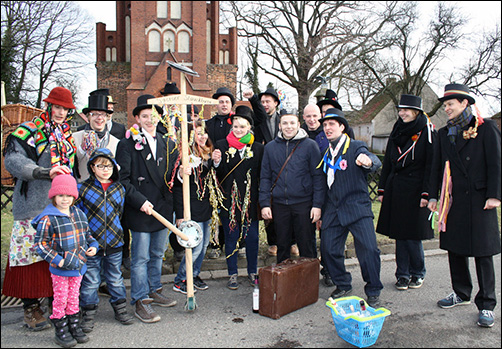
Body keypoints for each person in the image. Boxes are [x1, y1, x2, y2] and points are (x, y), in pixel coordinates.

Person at [2, 86, 77, 331]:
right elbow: (13, 161)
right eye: (57, 107)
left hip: (59, 207)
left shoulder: (66, 136)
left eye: (65, 109)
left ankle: (57, 302)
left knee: (55, 258)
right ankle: (30, 308)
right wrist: (42, 172)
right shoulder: (29, 131)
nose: (61, 112)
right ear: (49, 106)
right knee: (30, 260)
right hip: (32, 206)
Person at [428, 83, 501, 328]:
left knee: (483, 252)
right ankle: (461, 292)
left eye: (450, 104)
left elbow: (497, 163)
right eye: (445, 104)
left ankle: (487, 304)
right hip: (455, 199)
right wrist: (433, 196)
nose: (446, 108)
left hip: (481, 199)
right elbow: (436, 167)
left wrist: (495, 195)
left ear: (464, 103)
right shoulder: (443, 133)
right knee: (455, 248)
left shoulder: (486, 127)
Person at [115, 94, 179, 323]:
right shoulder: (127, 144)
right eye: (145, 116)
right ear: (137, 119)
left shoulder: (168, 143)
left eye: (153, 115)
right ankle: (140, 300)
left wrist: (182, 173)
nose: (150, 119)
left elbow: (172, 176)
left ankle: (154, 289)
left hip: (162, 207)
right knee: (140, 257)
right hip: (140, 207)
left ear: (160, 117)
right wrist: (139, 201)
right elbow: (122, 179)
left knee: (157, 254)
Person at [319, 108, 384, 308]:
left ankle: (373, 289)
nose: (327, 128)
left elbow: (374, 161)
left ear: (342, 127)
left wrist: (369, 161)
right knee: (328, 249)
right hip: (333, 209)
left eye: (332, 124)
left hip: (357, 207)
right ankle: (343, 284)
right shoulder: (326, 153)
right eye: (325, 125)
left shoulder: (356, 146)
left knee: (369, 250)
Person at [376, 94, 436, 291]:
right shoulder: (397, 128)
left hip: (417, 188)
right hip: (397, 187)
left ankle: (417, 272)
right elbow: (388, 162)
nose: (401, 113)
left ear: (416, 111)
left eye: (405, 110)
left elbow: (431, 165)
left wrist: (427, 193)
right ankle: (402, 274)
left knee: (413, 234)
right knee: (399, 233)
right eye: (400, 110)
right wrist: (383, 188)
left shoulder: (427, 131)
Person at [33, 174, 99, 347]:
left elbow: (87, 235)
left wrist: (93, 245)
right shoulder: (48, 218)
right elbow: (41, 244)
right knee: (61, 298)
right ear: (54, 196)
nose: (65, 199)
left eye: (69, 195)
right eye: (61, 195)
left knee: (73, 298)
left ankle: (73, 325)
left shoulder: (78, 214)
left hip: (78, 266)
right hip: (61, 268)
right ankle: (60, 329)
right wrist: (58, 260)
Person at [75, 148, 134, 332]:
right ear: (92, 167)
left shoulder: (119, 188)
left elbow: (120, 214)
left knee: (115, 279)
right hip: (92, 244)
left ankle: (120, 309)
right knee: (91, 280)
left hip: (115, 242)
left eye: (108, 165)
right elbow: (78, 215)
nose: (105, 169)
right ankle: (89, 312)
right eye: (100, 165)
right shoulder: (83, 188)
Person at [259, 109, 324, 263]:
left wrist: (317, 205)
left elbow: (318, 177)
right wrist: (264, 204)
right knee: (282, 246)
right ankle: (284, 283)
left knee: (306, 246)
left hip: (304, 204)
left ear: (298, 124)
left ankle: (309, 282)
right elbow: (265, 177)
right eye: (285, 123)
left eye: (292, 123)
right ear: (280, 125)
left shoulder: (310, 146)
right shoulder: (270, 148)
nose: (289, 126)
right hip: (280, 205)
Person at [211, 106, 264, 290]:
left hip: (250, 200)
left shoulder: (257, 148)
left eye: (243, 126)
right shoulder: (222, 145)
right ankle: (232, 273)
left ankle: (252, 271)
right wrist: (216, 162)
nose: (239, 130)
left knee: (252, 238)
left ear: (249, 127)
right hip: (229, 199)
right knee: (231, 237)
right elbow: (219, 174)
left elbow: (260, 175)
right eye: (235, 127)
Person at [243, 88, 299, 258]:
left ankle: (293, 241)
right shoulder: (258, 119)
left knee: (291, 206)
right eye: (263, 102)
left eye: (268, 101)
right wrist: (253, 99)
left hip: (287, 167)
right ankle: (273, 242)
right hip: (267, 168)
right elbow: (258, 114)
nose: (265, 104)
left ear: (276, 103)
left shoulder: (284, 119)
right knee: (269, 208)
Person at [172, 119, 218, 293]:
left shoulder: (208, 153)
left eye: (204, 132)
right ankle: (181, 279)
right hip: (190, 207)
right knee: (195, 247)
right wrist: (180, 214)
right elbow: (177, 187)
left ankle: (194, 274)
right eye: (198, 133)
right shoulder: (184, 156)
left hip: (205, 206)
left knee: (204, 245)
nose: (203, 136)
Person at [301, 103, 334, 287]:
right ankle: (310, 270)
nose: (312, 120)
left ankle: (328, 270)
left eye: (315, 116)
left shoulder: (327, 134)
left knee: (327, 235)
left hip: (327, 191)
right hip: (306, 192)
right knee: (308, 236)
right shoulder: (300, 135)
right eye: (308, 117)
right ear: (303, 118)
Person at [204, 87, 235, 259]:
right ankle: (215, 243)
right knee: (216, 207)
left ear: (231, 104)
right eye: (221, 102)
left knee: (234, 206)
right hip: (215, 171)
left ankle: (237, 243)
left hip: (233, 170)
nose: (223, 105)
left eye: (227, 102)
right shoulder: (210, 123)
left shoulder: (236, 122)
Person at [73, 92, 118, 182]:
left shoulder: (115, 142)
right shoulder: (75, 138)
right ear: (88, 117)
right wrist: (82, 149)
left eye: (103, 114)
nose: (99, 118)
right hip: (81, 189)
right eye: (95, 114)